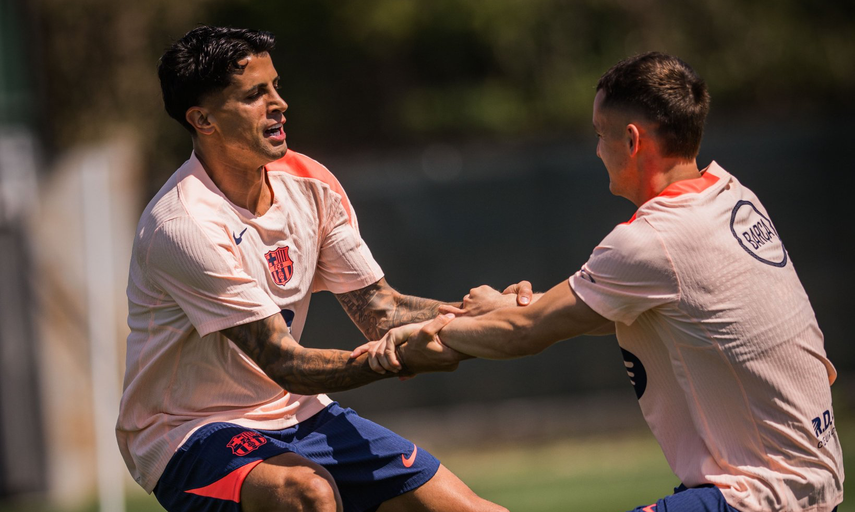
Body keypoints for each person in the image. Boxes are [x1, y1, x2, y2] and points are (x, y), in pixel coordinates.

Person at [358, 52, 844, 512]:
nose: (596, 149)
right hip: (810, 482)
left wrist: (421, 337)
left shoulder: (654, 239)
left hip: (761, 495)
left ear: (632, 141)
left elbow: (524, 334)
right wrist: (509, 309)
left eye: (600, 133)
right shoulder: (732, 197)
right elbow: (607, 308)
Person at [115, 25, 528, 512]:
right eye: (255, 95)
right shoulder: (184, 225)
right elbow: (285, 363)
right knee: (307, 494)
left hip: (297, 413)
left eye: (276, 86)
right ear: (202, 119)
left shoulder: (310, 183)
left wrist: (488, 315)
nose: (279, 104)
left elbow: (381, 311)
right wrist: (400, 357)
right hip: (188, 432)